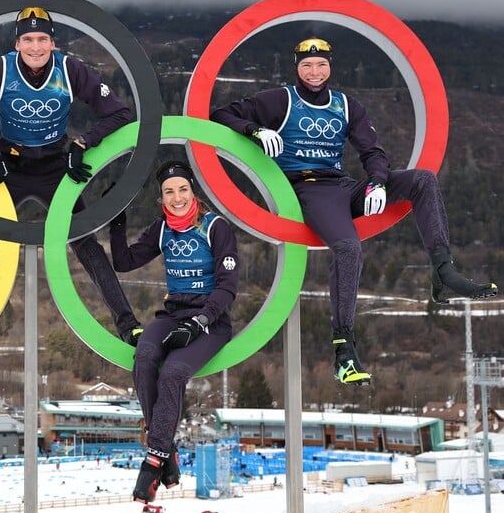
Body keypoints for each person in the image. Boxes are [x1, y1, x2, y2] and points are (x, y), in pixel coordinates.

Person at [210, 37, 497, 385]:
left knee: (422, 180)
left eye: (321, 65)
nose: (315, 72)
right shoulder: (281, 99)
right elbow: (221, 114)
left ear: (331, 66)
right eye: (307, 65)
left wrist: (376, 182)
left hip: (344, 185)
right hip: (308, 189)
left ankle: (443, 271)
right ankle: (344, 349)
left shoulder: (346, 105)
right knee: (348, 248)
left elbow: (372, 151)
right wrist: (255, 130)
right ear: (297, 68)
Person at [0, 6, 142, 347]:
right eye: (28, 39)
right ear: (17, 43)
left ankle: (128, 326)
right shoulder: (0, 70)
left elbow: (120, 112)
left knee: (86, 243)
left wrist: (83, 143)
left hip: (55, 166)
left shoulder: (70, 69)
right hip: (12, 167)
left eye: (43, 39)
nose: (36, 47)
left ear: (53, 42)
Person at [109, 160, 238, 503]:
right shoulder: (162, 228)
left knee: (172, 374)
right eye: (169, 192)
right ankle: (167, 449)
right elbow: (123, 262)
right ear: (161, 197)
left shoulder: (215, 227)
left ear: (193, 190)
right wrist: (116, 220)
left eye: (182, 189)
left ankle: (154, 463)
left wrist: (201, 321)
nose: (177, 197)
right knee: (145, 357)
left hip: (211, 320)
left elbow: (227, 288)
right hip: (173, 314)